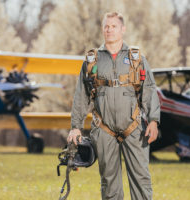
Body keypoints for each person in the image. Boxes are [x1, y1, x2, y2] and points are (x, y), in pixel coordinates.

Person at [67, 12, 160, 200]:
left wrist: (153, 120)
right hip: (103, 129)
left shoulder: (137, 58)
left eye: (114, 26)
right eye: (106, 26)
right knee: (109, 183)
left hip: (134, 128)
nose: (109, 30)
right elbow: (81, 95)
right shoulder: (92, 61)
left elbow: (148, 89)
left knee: (142, 180)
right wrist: (75, 127)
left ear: (123, 29)